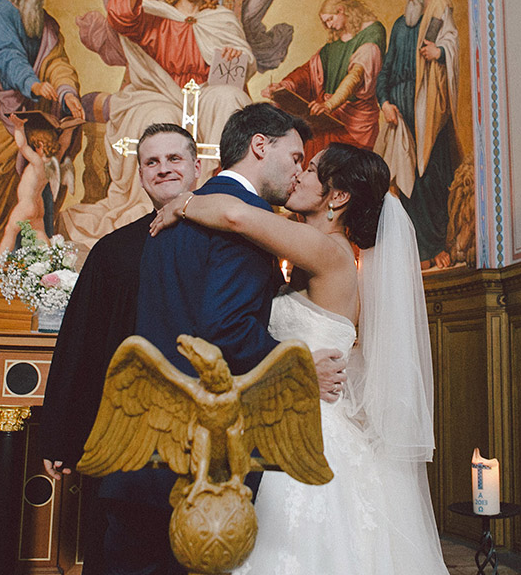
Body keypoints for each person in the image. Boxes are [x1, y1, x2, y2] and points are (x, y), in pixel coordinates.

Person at [150, 141, 446, 574]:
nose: (299, 175)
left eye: (311, 170)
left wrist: (184, 202)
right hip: (294, 416)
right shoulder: (327, 253)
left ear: (338, 197)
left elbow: (236, 216)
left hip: (311, 428)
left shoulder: (328, 251)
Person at [99, 103, 347, 575]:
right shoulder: (244, 221)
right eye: (295, 157)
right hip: (193, 468)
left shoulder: (177, 214)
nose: (298, 172)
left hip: (146, 453)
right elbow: (225, 330)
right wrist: (294, 368)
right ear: (260, 146)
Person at [37, 123, 203, 575]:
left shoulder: (228, 243)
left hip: (203, 433)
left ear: (196, 166)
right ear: (141, 174)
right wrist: (62, 433)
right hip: (125, 438)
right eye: (152, 162)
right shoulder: (113, 251)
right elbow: (81, 343)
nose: (163, 168)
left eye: (174, 159)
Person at [60, 0, 255, 248]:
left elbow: (246, 61)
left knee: (230, 98)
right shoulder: (155, 13)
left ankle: (222, 196)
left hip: (204, 92)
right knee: (159, 119)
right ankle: (151, 205)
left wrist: (235, 55)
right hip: (158, 89)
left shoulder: (222, 18)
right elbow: (122, 20)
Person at [0, 0, 83, 263]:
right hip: (7, 103)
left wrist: (67, 93)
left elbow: (58, 63)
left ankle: (28, 252)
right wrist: (32, 84)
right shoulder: (4, 11)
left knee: (46, 173)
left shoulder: (48, 26)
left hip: (38, 113)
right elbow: (7, 54)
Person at [376, 0, 460, 269]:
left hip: (430, 112)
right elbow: (384, 71)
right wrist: (384, 101)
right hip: (401, 118)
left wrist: (439, 52)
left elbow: (451, 41)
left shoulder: (436, 11)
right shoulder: (399, 26)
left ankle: (438, 245)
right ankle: (418, 251)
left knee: (432, 177)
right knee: (406, 183)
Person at [265, 0, 386, 161]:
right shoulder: (334, 43)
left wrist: (329, 105)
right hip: (326, 119)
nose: (328, 26)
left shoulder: (372, 34)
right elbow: (308, 72)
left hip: (355, 122)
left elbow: (355, 77)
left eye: (330, 20)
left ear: (341, 10)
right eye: (325, 22)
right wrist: (287, 86)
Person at [0, 114, 75, 257]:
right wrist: (70, 129)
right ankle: (49, 258)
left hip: (26, 204)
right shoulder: (52, 162)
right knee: (39, 233)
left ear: (40, 145)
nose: (33, 148)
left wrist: (19, 127)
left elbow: (22, 145)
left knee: (10, 231)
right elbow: (63, 145)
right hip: (39, 206)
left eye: (35, 145)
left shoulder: (37, 162)